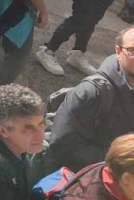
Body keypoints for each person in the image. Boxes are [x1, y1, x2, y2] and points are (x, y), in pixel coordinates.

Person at [43, 28, 134, 173]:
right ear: (118, 51)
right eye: (132, 50)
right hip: (87, 182)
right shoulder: (91, 92)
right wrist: (118, 161)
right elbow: (63, 145)